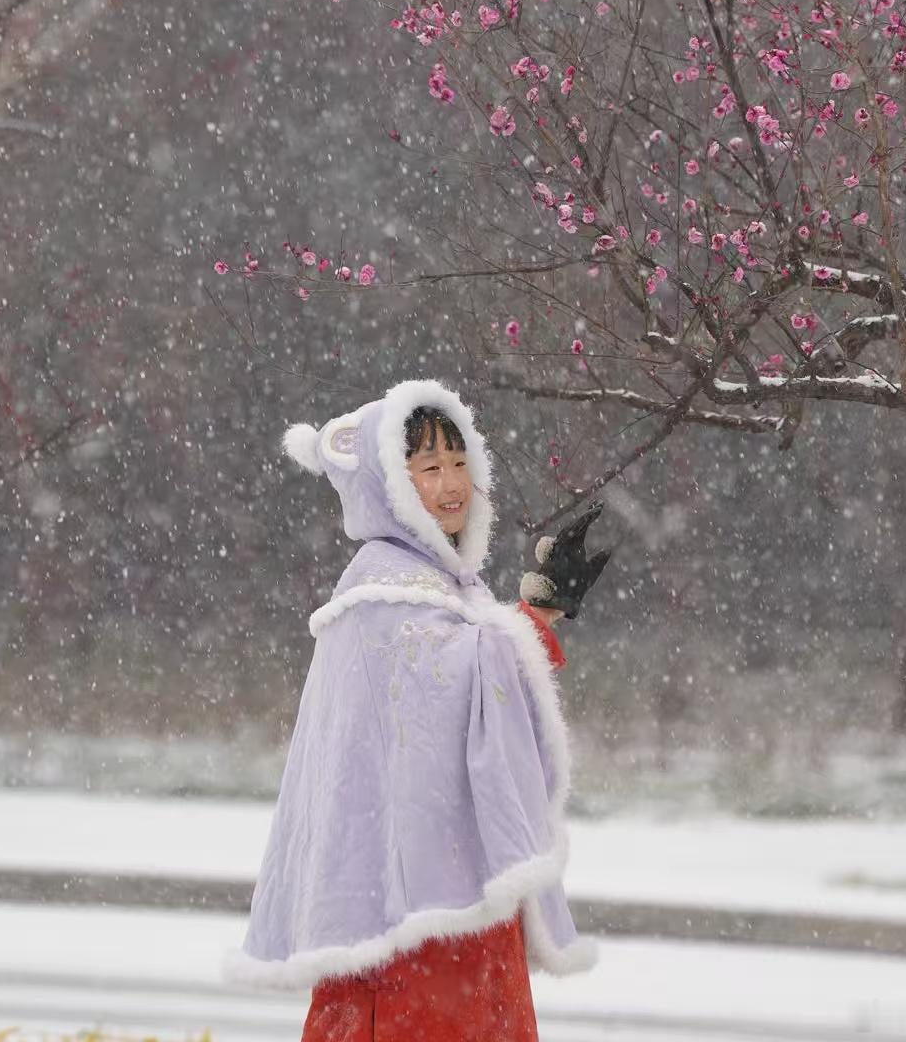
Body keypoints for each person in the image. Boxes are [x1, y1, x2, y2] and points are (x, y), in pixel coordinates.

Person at [221, 377, 613, 1040]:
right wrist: (531, 617)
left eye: (461, 463)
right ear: (390, 488)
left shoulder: (445, 588)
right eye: (428, 467)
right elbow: (457, 683)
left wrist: (535, 611)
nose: (452, 482)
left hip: (452, 900)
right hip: (412, 918)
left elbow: (472, 676)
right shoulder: (382, 594)